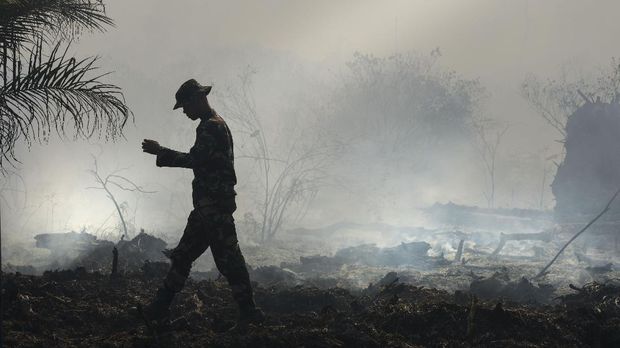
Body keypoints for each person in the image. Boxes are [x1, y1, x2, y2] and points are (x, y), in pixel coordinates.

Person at [140, 79, 264, 328]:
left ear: (197, 99)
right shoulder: (215, 124)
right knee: (183, 256)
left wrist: (160, 152)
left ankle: (249, 313)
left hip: (214, 208)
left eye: (185, 106)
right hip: (207, 208)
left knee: (230, 261)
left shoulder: (210, 127)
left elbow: (195, 160)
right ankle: (158, 309)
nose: (184, 111)